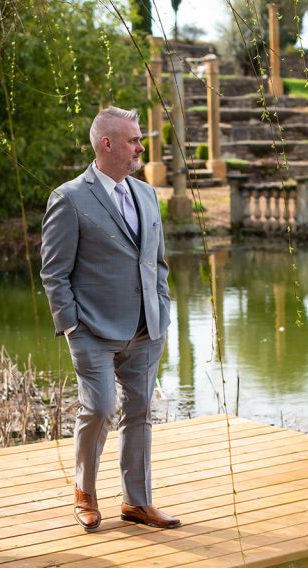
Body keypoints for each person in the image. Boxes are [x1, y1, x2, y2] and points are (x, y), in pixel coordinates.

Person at [40, 106, 180, 532]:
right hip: (92, 331)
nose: (140, 147)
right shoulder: (69, 198)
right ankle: (85, 492)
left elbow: (156, 261)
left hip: (146, 328)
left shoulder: (146, 193)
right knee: (99, 408)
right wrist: (71, 325)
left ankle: (136, 502)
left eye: (139, 140)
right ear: (107, 143)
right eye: (134, 140)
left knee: (139, 413)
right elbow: (53, 271)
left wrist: (162, 306)